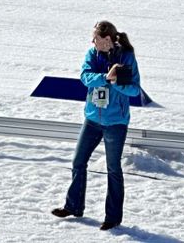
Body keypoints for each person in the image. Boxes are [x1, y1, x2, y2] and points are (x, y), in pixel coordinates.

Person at [52, 20, 141, 232]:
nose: (93, 41)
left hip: (115, 122)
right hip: (92, 119)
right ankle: (73, 206)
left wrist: (115, 82)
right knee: (78, 162)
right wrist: (104, 77)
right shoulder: (93, 54)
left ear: (108, 39)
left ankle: (113, 217)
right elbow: (85, 77)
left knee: (113, 169)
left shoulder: (126, 57)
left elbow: (134, 90)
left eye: (97, 38)